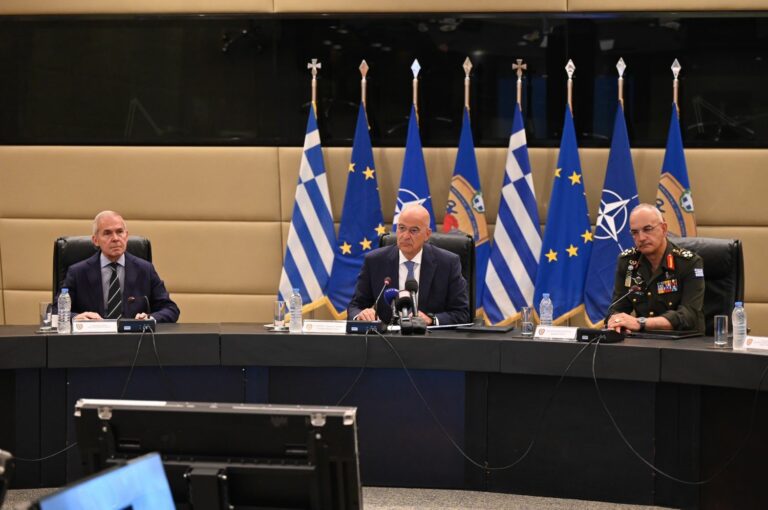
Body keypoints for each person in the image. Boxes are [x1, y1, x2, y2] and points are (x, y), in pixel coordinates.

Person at [348, 204, 469, 326]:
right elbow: (355, 306)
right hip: (386, 336)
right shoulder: (375, 261)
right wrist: (361, 315)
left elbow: (462, 313)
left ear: (427, 234)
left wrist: (431, 320)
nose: (405, 236)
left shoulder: (448, 263)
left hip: (428, 336)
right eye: (401, 228)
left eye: (414, 230)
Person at [61, 211, 180, 323]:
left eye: (119, 232)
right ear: (95, 240)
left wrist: (150, 319)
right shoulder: (78, 272)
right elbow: (57, 310)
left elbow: (170, 308)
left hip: (134, 336)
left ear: (126, 236)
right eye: (107, 233)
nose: (115, 238)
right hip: (93, 336)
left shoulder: (145, 270)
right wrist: (76, 317)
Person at [606, 203, 704, 334]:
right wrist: (618, 323)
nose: (641, 238)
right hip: (643, 341)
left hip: (683, 341)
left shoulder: (689, 263)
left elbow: (689, 315)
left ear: (664, 229)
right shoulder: (628, 263)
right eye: (635, 232)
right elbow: (617, 308)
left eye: (648, 229)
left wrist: (641, 323)